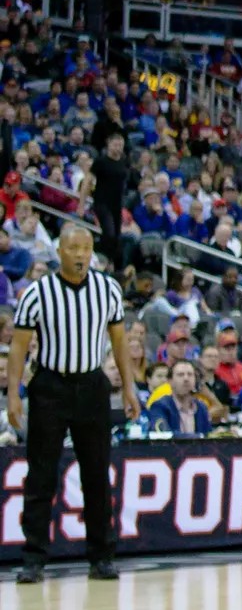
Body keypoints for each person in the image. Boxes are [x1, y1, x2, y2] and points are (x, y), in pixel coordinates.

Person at [6, 224, 141, 582]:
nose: (81, 254)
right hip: (50, 386)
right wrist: (13, 394)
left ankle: (101, 556)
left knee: (96, 473)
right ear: (59, 252)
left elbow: (119, 342)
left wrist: (129, 388)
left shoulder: (107, 289)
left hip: (92, 385)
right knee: (41, 475)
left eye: (86, 248)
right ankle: (33, 558)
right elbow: (19, 347)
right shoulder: (38, 293)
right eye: (74, 248)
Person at [143, 358, 214, 437]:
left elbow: (209, 436)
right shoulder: (160, 406)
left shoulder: (201, 407)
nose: (186, 379)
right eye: (180, 375)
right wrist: (199, 437)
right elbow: (163, 434)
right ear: (170, 381)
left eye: (190, 374)